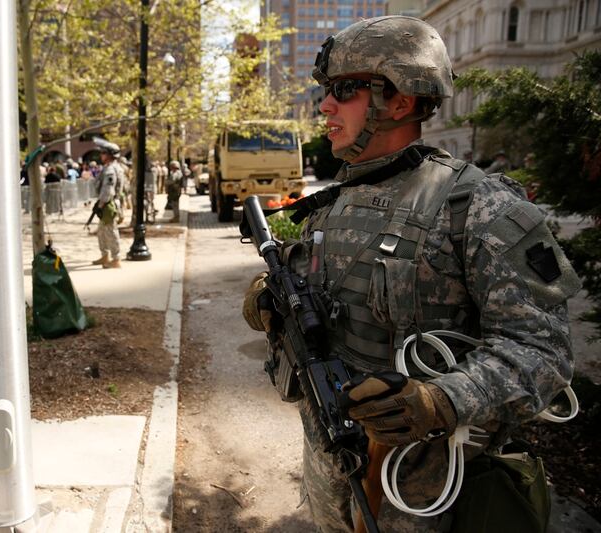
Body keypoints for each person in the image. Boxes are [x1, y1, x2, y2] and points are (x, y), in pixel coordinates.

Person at [242, 16, 580, 533]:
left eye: (343, 91)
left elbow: (543, 351)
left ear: (399, 100)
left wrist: (441, 399)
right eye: (327, 92)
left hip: (425, 488)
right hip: (332, 467)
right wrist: (271, 299)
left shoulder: (478, 207)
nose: (325, 106)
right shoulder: (334, 203)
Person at [91, 139, 125, 269]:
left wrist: (101, 204)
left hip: (108, 203)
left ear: (110, 155)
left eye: (104, 153)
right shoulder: (110, 167)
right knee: (102, 231)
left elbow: (108, 189)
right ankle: (105, 255)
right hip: (107, 203)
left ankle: (116, 259)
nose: (101, 155)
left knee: (110, 231)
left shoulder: (111, 170)